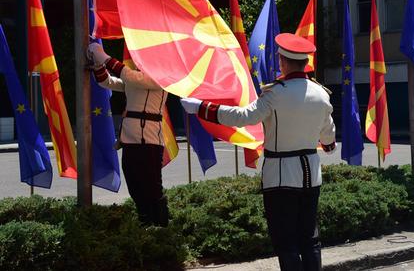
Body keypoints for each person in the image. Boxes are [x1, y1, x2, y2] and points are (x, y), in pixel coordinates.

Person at [181, 33, 336, 271]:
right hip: (311, 176)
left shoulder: (275, 93)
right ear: (305, 62)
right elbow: (328, 136)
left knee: (286, 241)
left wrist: (202, 107)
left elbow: (244, 117)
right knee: (310, 238)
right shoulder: (321, 93)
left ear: (283, 61)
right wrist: (327, 144)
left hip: (281, 177)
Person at [87, 42, 169, 227]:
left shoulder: (162, 77)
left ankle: (161, 228)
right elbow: (106, 82)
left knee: (152, 188)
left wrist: (104, 57)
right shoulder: (137, 79)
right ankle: (145, 224)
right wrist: (99, 65)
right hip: (130, 141)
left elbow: (129, 77)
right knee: (135, 186)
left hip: (149, 142)